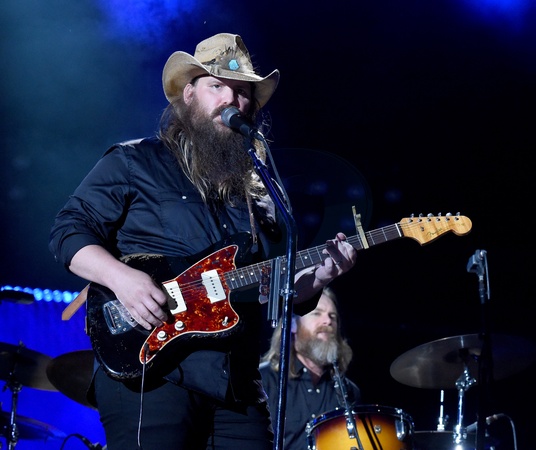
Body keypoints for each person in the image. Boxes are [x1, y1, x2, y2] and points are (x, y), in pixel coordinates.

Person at [48, 33, 357, 450]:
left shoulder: (260, 191)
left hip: (235, 382)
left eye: (243, 92)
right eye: (217, 86)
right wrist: (122, 278)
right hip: (154, 371)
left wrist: (318, 278)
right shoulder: (135, 160)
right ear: (189, 94)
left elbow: (271, 289)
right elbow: (68, 230)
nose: (232, 100)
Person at [260, 285, 361, 450]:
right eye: (317, 313)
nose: (327, 321)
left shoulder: (349, 392)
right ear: (292, 324)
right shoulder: (262, 381)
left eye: (333, 316)